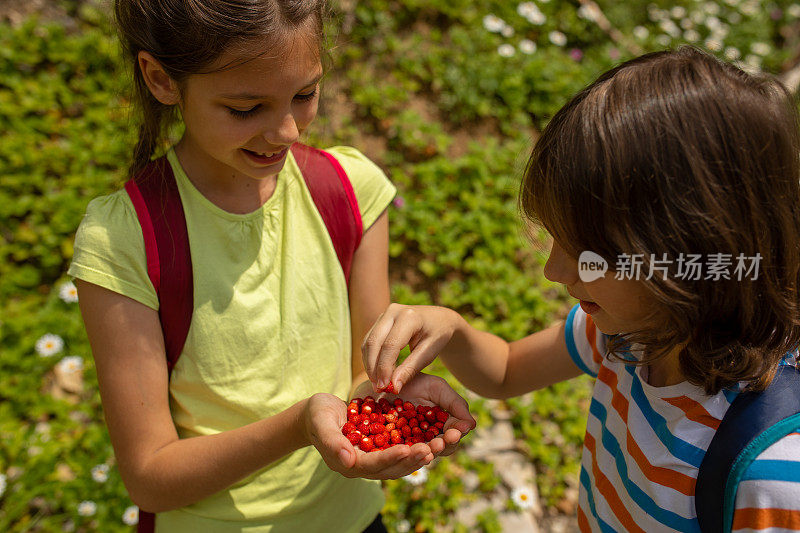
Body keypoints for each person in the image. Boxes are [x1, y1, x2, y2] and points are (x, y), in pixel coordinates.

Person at [68, 1, 475, 532]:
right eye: (245, 108)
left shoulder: (349, 192)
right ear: (162, 79)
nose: (287, 131)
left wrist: (390, 399)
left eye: (304, 95)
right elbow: (149, 476)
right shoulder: (125, 238)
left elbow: (363, 376)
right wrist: (300, 427)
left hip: (350, 519)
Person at [362, 47, 800, 531]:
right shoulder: (629, 331)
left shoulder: (769, 471)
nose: (554, 269)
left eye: (591, 253)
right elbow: (506, 372)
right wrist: (452, 329)